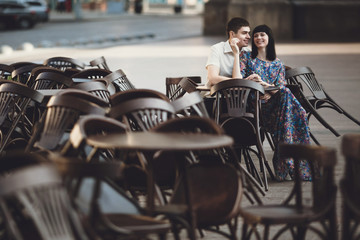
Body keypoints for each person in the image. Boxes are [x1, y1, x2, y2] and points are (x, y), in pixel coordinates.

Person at [241, 24, 312, 181]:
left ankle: (283, 160)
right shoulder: (246, 58)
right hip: (257, 106)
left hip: (276, 106)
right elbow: (241, 80)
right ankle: (286, 161)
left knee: (285, 95)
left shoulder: (277, 63)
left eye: (262, 35)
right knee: (297, 111)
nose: (258, 38)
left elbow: (278, 89)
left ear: (269, 38)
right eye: (256, 35)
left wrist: (264, 85)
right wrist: (260, 86)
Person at [205, 17, 262, 87]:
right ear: (232, 34)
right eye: (244, 33)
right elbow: (213, 78)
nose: (248, 37)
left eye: (248, 33)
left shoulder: (248, 52)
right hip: (215, 96)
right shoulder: (217, 49)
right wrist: (239, 82)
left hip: (240, 96)